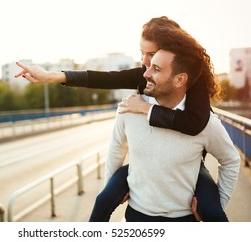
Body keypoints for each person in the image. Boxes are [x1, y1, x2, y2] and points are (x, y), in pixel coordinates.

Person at [15, 16, 228, 221]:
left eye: (151, 54)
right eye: (142, 53)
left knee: (214, 214)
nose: (145, 61)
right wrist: (53, 76)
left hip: (186, 166)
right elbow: (105, 78)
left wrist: (145, 108)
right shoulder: (147, 73)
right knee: (104, 199)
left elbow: (195, 124)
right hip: (145, 168)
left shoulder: (192, 81)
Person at [106, 39, 240, 221]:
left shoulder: (204, 123)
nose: (146, 73)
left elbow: (230, 161)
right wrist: (110, 192)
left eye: (157, 69)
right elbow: (115, 150)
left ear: (180, 79)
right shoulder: (129, 109)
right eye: (149, 66)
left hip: (184, 221)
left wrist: (218, 204)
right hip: (136, 218)